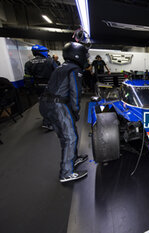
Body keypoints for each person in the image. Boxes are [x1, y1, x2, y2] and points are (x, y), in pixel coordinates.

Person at [39, 42, 89, 183]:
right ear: (77, 55)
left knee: (66, 134)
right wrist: (75, 111)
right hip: (58, 106)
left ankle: (73, 157)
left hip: (45, 104)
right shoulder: (74, 69)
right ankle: (66, 173)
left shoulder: (61, 66)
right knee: (70, 137)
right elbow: (75, 94)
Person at [24, 44, 56, 130]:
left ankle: (46, 120)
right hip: (50, 86)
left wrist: (29, 89)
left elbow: (27, 78)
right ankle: (48, 122)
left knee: (42, 103)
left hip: (38, 87)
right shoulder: (50, 61)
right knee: (51, 103)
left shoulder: (28, 63)